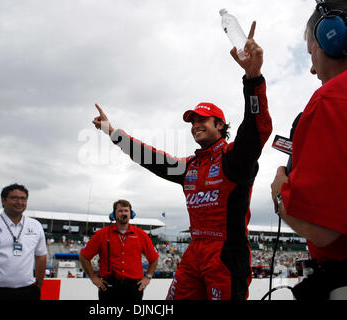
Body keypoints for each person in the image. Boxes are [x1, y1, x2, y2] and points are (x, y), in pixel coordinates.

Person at [92, 22, 272, 300]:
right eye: (193, 121)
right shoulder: (190, 166)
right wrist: (112, 133)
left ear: (220, 125)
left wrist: (253, 78)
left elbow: (257, 128)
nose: (196, 124)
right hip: (195, 251)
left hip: (226, 253)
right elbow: (152, 159)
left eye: (202, 119)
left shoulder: (235, 157)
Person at [271, 0, 347, 300]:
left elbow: (321, 230)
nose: (313, 68)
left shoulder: (331, 99)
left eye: (312, 52)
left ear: (334, 37)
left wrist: (280, 193)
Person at [79, 199, 159, 301]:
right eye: (120, 211)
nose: (123, 213)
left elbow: (154, 258)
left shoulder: (141, 235)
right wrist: (93, 278)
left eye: (126, 211)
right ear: (114, 214)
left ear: (131, 214)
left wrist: (148, 277)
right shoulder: (101, 234)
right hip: (109, 285)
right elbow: (84, 256)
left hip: (134, 287)